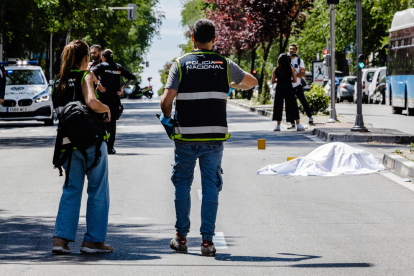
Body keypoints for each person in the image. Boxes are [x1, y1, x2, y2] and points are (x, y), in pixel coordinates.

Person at [160, 19, 257, 256]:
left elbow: (165, 102)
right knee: (210, 186)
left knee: (182, 183)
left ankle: (181, 238)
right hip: (214, 136)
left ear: (192, 38)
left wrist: (168, 119)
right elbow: (252, 82)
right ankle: (207, 242)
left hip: (185, 136)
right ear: (214, 40)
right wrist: (233, 85)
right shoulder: (223, 64)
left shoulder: (180, 64)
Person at [51, 39, 113, 254]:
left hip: (67, 144)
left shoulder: (58, 80)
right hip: (91, 143)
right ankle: (93, 241)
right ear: (87, 58)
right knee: (97, 190)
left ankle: (61, 240)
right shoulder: (85, 76)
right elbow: (91, 102)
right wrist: (106, 109)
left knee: (71, 189)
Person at [90, 49, 136, 154]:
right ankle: (110, 147)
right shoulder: (118, 67)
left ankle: (100, 145)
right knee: (112, 123)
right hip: (115, 99)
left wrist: (98, 84)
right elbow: (132, 77)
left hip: (103, 98)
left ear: (103, 57)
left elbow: (91, 72)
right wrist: (122, 88)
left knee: (100, 121)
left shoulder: (102, 66)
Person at [271, 54, 304, 131]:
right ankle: (298, 125)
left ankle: (278, 126)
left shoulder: (276, 69)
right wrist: (289, 80)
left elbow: (273, 81)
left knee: (278, 106)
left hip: (279, 88)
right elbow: (295, 80)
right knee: (292, 105)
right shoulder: (291, 68)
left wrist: (279, 80)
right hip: (289, 87)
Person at [288, 44, 313, 127]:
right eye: (290, 49)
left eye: (293, 49)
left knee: (303, 101)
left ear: (296, 51)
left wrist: (292, 76)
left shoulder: (299, 61)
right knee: (290, 104)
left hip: (297, 85)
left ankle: (310, 117)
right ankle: (292, 122)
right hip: (289, 86)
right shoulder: (285, 61)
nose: (292, 50)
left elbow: (303, 73)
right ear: (288, 50)